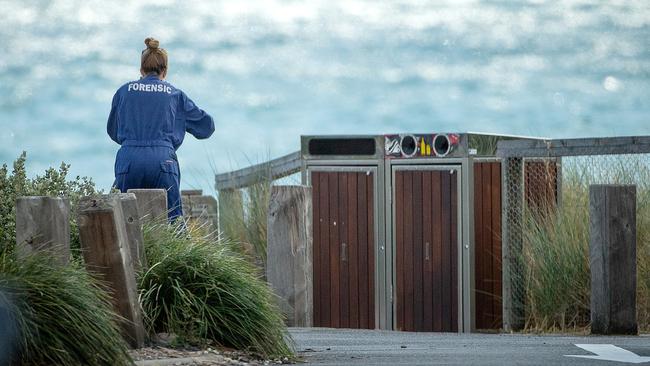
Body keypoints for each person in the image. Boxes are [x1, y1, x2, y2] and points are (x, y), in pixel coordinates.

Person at [107, 37, 214, 221]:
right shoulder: (175, 95)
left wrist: (135, 140)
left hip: (129, 160)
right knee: (173, 223)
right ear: (164, 71)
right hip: (163, 161)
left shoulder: (123, 92)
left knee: (122, 222)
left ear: (141, 69)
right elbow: (206, 127)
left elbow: (113, 131)